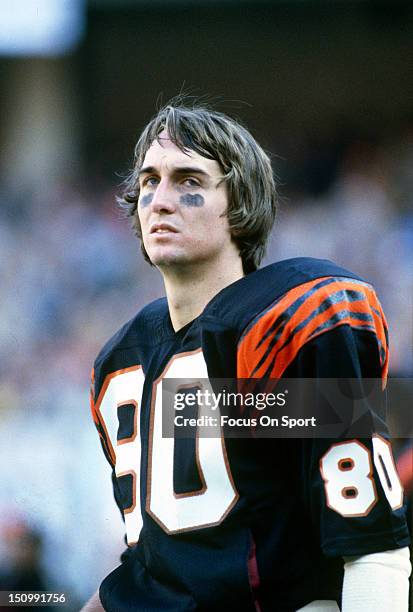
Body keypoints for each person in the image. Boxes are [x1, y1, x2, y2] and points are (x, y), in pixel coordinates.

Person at [83, 99, 411, 611]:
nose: (160, 200)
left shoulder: (294, 320)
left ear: (239, 204)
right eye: (149, 181)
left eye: (189, 181)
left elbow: (371, 544)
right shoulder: (121, 360)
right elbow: (158, 562)